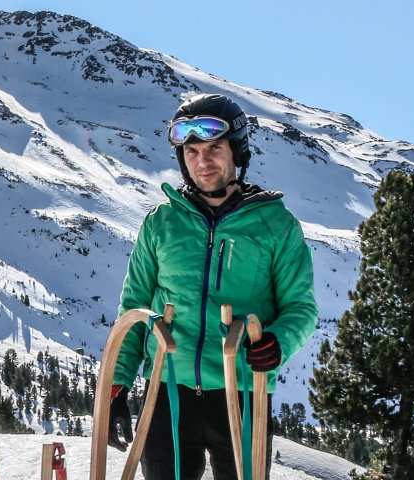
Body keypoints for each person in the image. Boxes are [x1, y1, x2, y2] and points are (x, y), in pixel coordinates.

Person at [107, 93, 317, 479]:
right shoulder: (162, 222)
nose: (202, 161)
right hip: (167, 390)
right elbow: (135, 306)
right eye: (191, 151)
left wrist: (278, 342)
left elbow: (300, 308)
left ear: (236, 151)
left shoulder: (276, 224)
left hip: (242, 393)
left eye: (214, 148)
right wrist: (118, 385)